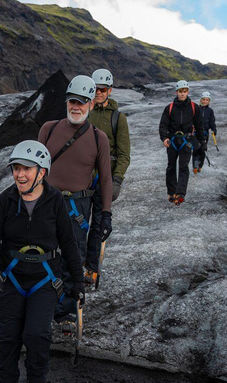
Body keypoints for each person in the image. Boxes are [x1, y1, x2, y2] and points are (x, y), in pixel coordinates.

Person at [0, 141, 84, 383]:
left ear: (42, 171)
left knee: (37, 334)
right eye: (16, 168)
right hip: (11, 279)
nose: (20, 174)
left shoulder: (55, 202)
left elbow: (69, 243)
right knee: (8, 337)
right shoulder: (6, 200)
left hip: (44, 280)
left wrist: (77, 282)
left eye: (26, 168)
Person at [38, 75, 112, 330]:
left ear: (91, 104)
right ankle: (42, 308)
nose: (76, 107)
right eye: (72, 101)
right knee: (42, 258)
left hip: (77, 209)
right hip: (46, 203)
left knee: (71, 261)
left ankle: (65, 314)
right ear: (66, 102)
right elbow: (36, 170)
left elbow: (105, 179)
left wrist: (106, 214)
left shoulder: (98, 137)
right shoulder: (48, 129)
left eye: (81, 102)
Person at [86, 68, 131, 285]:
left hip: (104, 179)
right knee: (77, 224)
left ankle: (91, 268)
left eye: (102, 89)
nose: (98, 93)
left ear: (110, 90)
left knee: (97, 225)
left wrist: (117, 180)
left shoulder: (118, 118)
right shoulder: (83, 111)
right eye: (95, 88)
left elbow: (123, 154)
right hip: (81, 178)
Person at [158, 80, 204, 205]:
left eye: (184, 92)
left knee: (183, 167)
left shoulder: (194, 107)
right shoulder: (170, 108)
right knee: (171, 167)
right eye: (180, 92)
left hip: (186, 141)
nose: (182, 94)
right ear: (176, 92)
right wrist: (164, 138)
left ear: (188, 92)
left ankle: (180, 194)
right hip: (172, 141)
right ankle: (172, 192)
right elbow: (163, 125)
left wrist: (201, 143)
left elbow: (200, 126)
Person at [192, 91, 217, 174]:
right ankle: (195, 165)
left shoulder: (210, 111)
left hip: (205, 133)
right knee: (195, 148)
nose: (205, 101)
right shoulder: (196, 109)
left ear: (209, 101)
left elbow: (212, 122)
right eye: (203, 99)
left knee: (203, 149)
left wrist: (214, 129)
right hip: (195, 132)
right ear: (200, 100)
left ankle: (200, 165)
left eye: (207, 100)